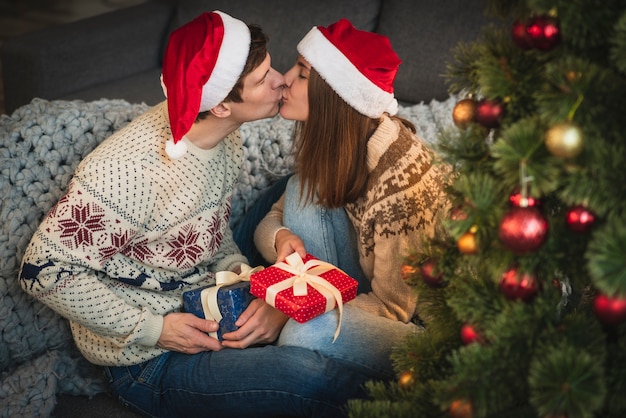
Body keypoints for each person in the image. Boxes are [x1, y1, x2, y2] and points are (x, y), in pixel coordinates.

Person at [19, 12, 377, 417]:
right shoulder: (124, 173)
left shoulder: (226, 136)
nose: (281, 80)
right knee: (308, 377)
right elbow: (41, 270)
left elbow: (207, 227)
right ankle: (430, 387)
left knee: (297, 183)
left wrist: (261, 286)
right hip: (149, 362)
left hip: (209, 296)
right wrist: (158, 331)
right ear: (222, 105)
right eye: (264, 79)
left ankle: (331, 294)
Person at [252, 19, 451, 379]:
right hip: (366, 272)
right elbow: (272, 219)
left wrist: (293, 310)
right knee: (300, 188)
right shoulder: (339, 147)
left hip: (430, 320)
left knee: (302, 331)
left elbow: (396, 305)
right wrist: (280, 239)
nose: (284, 79)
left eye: (302, 73)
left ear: (335, 96)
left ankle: (427, 372)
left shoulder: (399, 189)